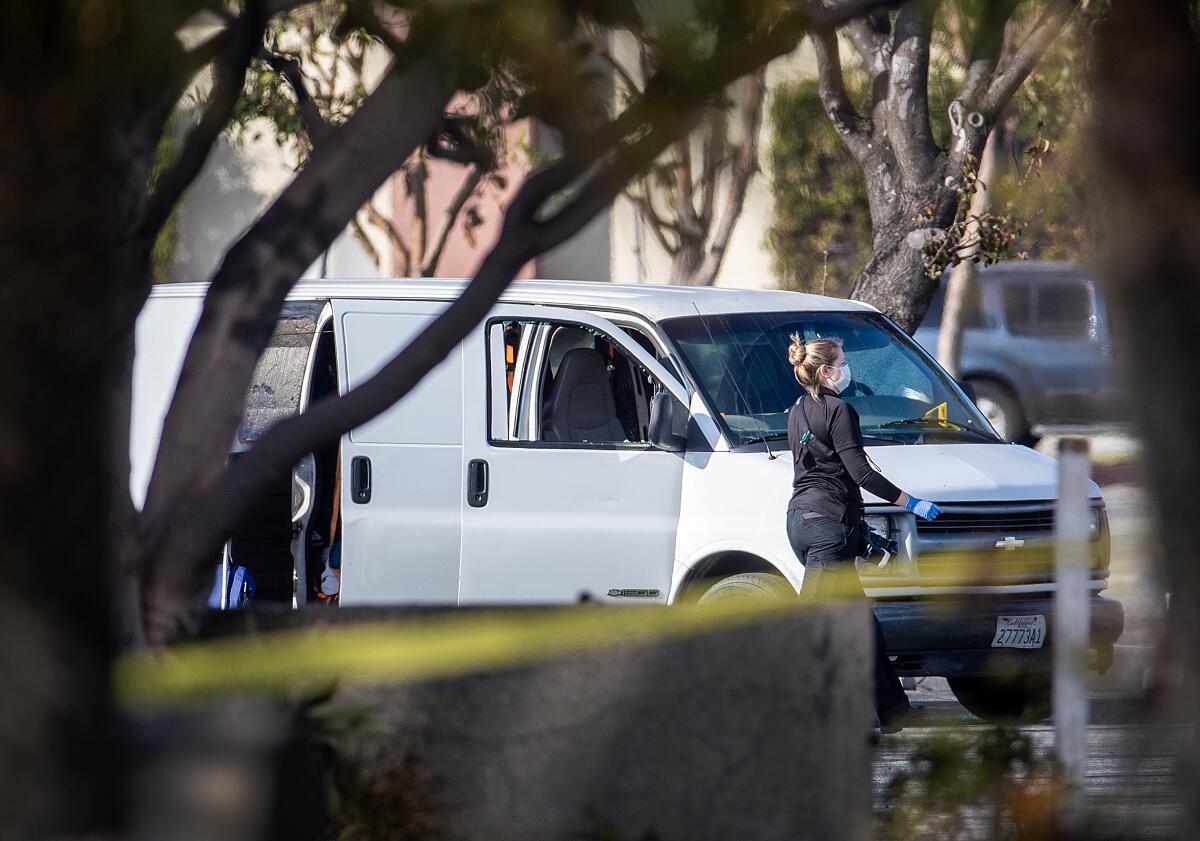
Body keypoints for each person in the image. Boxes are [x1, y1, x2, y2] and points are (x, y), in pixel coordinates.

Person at [785, 334, 942, 734]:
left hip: (803, 521)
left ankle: (893, 711)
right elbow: (861, 473)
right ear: (826, 371)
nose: (847, 368)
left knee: (863, 627)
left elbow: (816, 470)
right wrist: (911, 502)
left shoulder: (797, 411)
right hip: (827, 527)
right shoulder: (839, 410)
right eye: (842, 361)